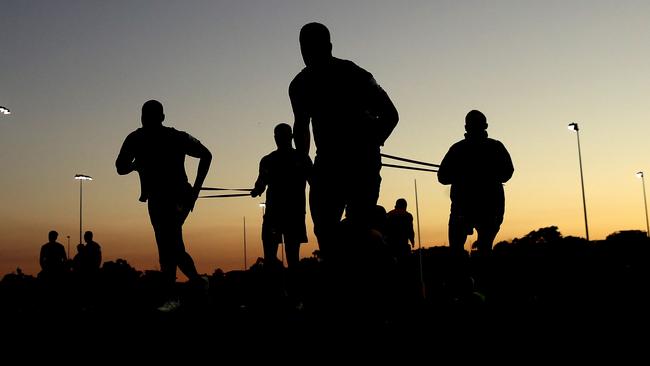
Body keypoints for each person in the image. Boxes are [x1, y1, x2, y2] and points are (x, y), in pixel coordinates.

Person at [289, 22, 399, 264]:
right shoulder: (299, 85)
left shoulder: (357, 75)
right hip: (326, 165)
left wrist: (371, 143)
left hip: (362, 166)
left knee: (358, 231)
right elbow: (301, 125)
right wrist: (304, 161)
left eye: (313, 48)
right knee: (325, 234)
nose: (308, 54)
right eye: (304, 49)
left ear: (328, 47)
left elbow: (391, 115)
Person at [116, 99, 212, 312]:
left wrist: (195, 190)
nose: (147, 120)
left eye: (150, 116)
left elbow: (206, 154)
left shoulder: (175, 136)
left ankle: (180, 291)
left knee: (171, 243)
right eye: (145, 116)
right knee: (168, 245)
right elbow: (120, 167)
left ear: (161, 117)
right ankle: (197, 284)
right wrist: (135, 165)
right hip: (156, 198)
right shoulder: (135, 138)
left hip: (178, 197)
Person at [437, 110, 514, 256]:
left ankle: (461, 277)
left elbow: (442, 177)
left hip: (463, 208)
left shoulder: (457, 148)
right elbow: (507, 173)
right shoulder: (496, 147)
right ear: (485, 126)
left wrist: (460, 174)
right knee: (485, 248)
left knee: (456, 250)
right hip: (491, 207)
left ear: (466, 128)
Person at [251, 123, 312, 304]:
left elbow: (261, 183)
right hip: (285, 215)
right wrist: (257, 189)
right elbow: (261, 182)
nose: (279, 138)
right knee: (285, 258)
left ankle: (284, 295)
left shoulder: (271, 160)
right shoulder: (300, 158)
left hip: (280, 215)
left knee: (282, 258)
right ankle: (286, 295)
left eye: (280, 135)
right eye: (278, 135)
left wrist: (257, 189)